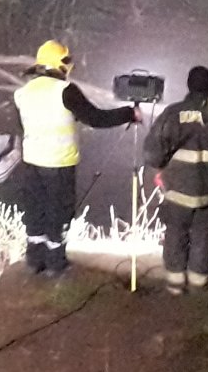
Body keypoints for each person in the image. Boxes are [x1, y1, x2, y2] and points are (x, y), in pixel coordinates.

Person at [14, 40, 141, 277]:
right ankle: (55, 263)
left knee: (36, 211)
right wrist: (128, 113)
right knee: (58, 212)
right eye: (67, 60)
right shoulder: (65, 91)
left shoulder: (22, 93)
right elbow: (95, 118)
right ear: (59, 64)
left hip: (31, 163)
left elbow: (21, 127)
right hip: (59, 163)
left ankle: (34, 261)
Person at [143, 66, 208, 295]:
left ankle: (175, 285)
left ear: (188, 85)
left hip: (178, 189)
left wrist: (166, 166)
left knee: (175, 233)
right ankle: (199, 286)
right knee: (203, 236)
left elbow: (152, 154)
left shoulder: (172, 114)